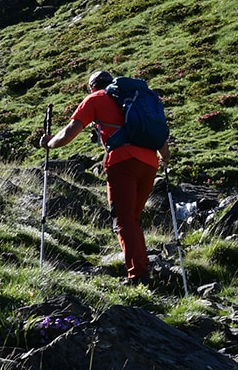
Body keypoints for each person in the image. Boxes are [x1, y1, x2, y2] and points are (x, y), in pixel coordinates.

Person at [42, 69, 168, 286]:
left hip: (122, 162)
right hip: (150, 163)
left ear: (92, 86)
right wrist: (165, 159)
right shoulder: (138, 99)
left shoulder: (96, 99)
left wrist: (49, 143)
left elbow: (70, 133)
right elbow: (162, 142)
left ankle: (138, 276)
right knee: (132, 220)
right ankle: (142, 269)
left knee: (123, 220)